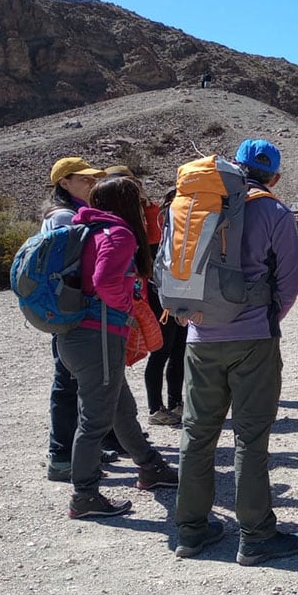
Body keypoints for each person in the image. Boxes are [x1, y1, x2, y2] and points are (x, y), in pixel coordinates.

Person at [173, 139, 298, 565]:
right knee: (250, 437)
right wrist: (264, 319)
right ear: (275, 176)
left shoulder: (197, 202)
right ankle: (255, 536)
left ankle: (191, 532)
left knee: (197, 434)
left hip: (199, 337)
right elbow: (289, 282)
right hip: (253, 339)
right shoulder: (275, 212)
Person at [58, 176, 180, 518]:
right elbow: (105, 281)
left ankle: (149, 466)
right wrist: (125, 308)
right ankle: (84, 496)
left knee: (120, 408)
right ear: (128, 204)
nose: (146, 210)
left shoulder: (91, 229)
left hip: (79, 336)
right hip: (98, 336)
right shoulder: (120, 234)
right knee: (95, 420)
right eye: (141, 202)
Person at [41, 157, 114, 482]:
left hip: (65, 307)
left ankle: (78, 450)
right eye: (84, 179)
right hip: (73, 309)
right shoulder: (66, 218)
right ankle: (61, 456)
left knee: (73, 380)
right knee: (68, 381)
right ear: (65, 183)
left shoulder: (65, 215)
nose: (91, 182)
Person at [103, 166, 185, 427]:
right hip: (152, 291)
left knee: (178, 347)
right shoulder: (121, 223)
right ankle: (155, 407)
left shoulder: (146, 215)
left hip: (167, 286)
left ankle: (175, 402)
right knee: (162, 348)